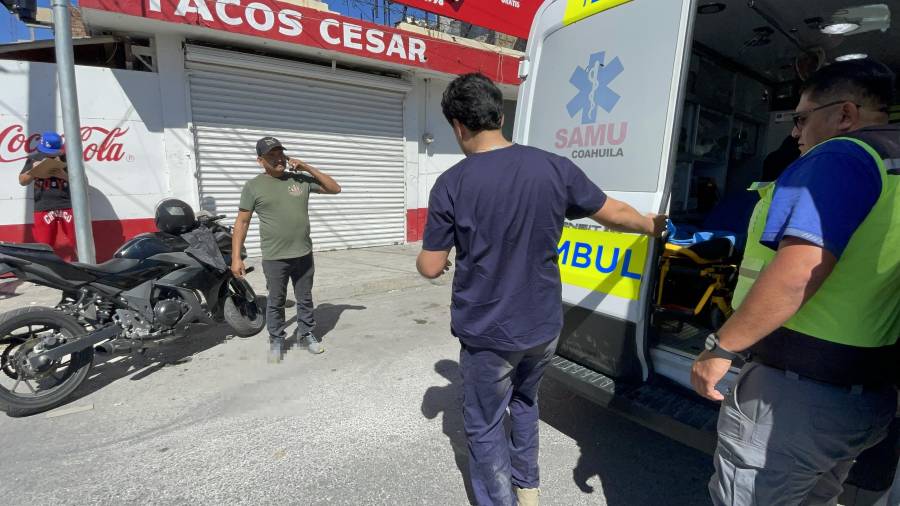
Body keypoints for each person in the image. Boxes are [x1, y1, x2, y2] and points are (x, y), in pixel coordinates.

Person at [417, 73, 666, 506]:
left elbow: (431, 265)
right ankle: (528, 486)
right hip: (544, 326)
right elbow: (615, 213)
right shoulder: (553, 166)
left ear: (458, 126)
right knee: (527, 401)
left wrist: (431, 261)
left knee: (484, 424)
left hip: (488, 332)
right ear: (498, 114)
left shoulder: (451, 184)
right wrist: (651, 227)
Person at [691, 58, 900, 505]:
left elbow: (802, 267)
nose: (793, 132)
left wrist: (722, 347)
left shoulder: (843, 155)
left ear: (845, 114)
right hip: (864, 396)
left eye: (802, 118)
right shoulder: (891, 165)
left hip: (794, 398)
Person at [231, 137, 341, 363]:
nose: (279, 159)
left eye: (281, 154)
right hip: (275, 257)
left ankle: (306, 334)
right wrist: (236, 258)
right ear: (260, 160)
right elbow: (242, 222)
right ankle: (277, 338)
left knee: (305, 298)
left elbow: (335, 188)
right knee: (276, 300)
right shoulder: (253, 186)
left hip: (303, 254)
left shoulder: (299, 180)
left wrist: (307, 167)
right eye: (272, 155)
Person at [18, 131, 77, 261]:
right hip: (43, 206)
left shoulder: (68, 159)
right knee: (44, 245)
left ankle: (86, 268)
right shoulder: (34, 158)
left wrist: (63, 175)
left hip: (68, 205)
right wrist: (32, 171)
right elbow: (22, 181)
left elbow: (82, 182)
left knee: (78, 240)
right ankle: (46, 273)